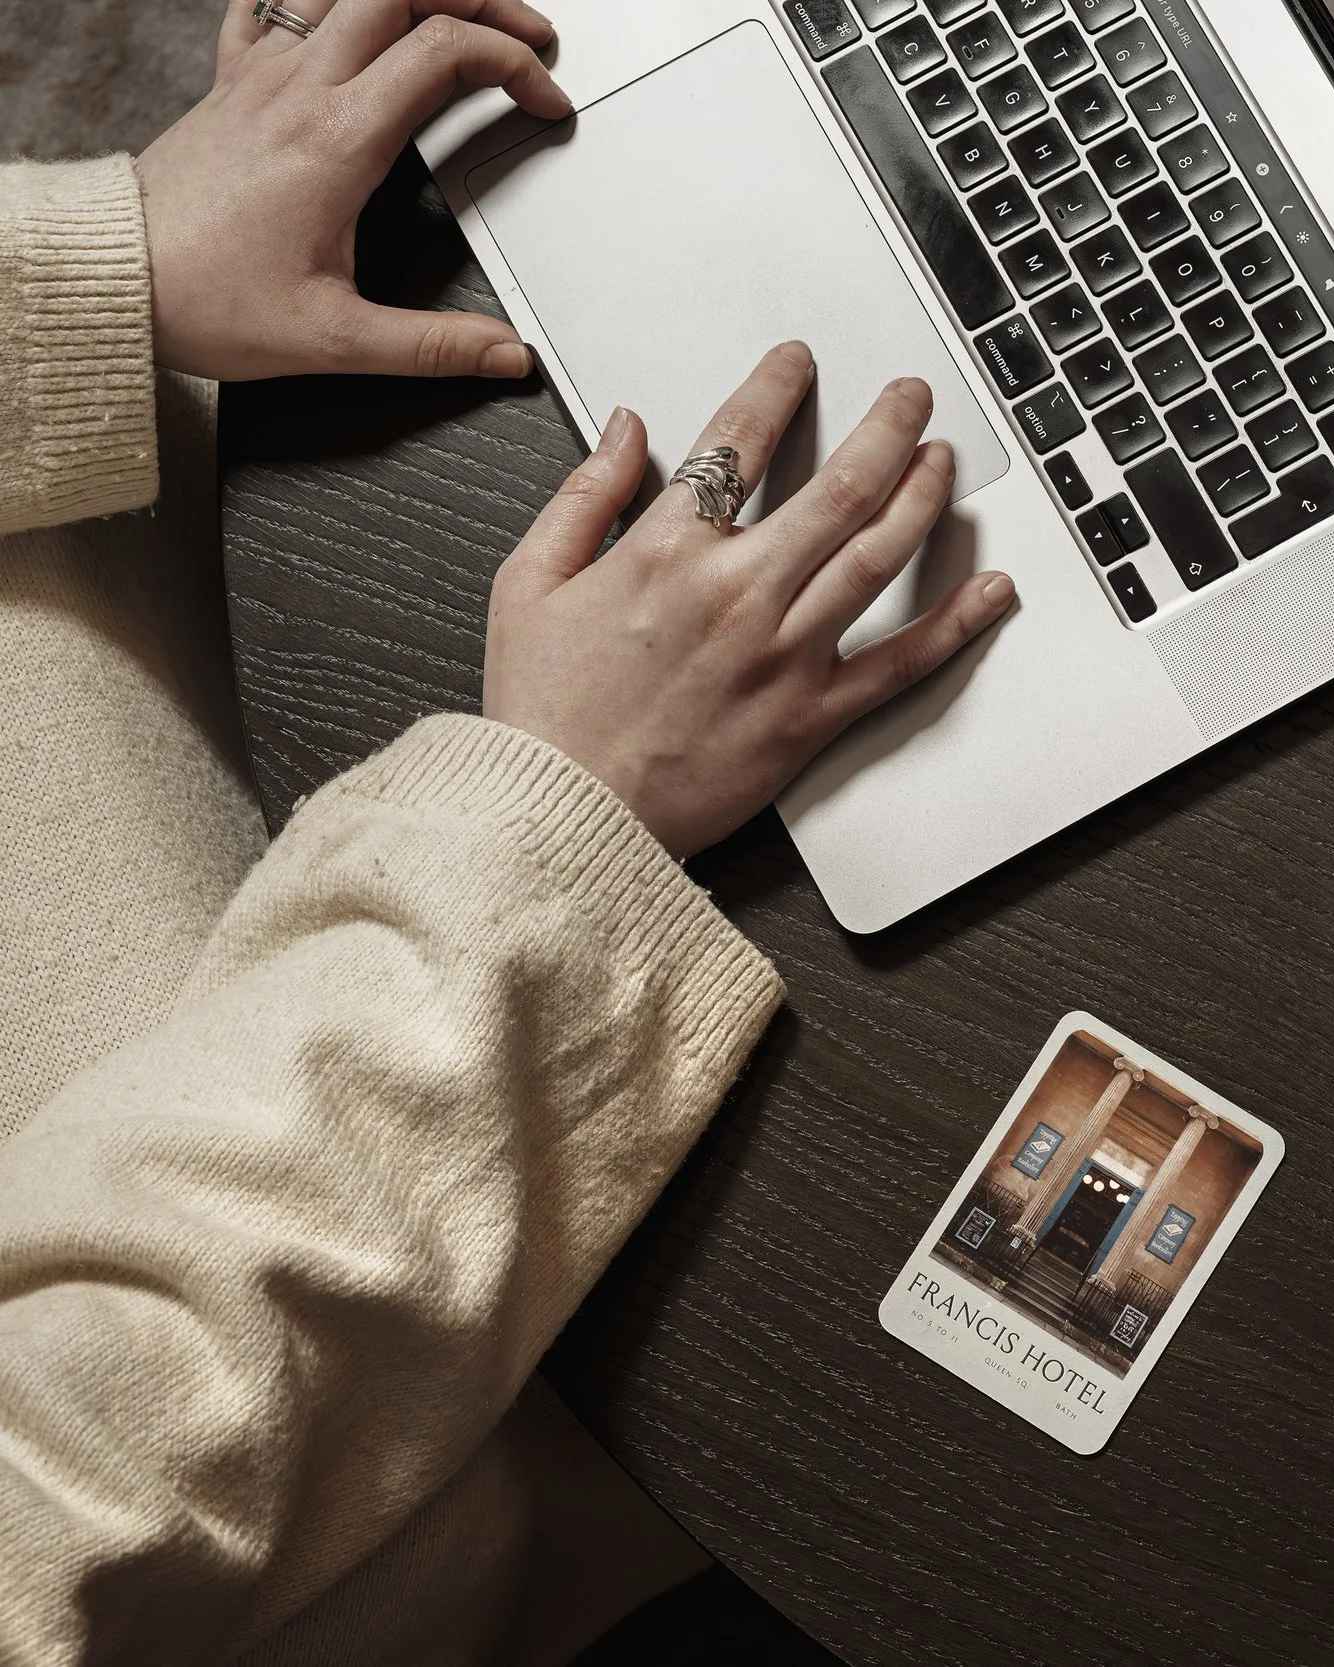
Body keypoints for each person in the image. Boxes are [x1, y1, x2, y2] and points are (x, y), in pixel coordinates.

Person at [0, 1, 1015, 1660]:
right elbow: (81, 1493)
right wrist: (553, 819)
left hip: (184, 476)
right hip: (467, 1308)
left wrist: (96, 277)